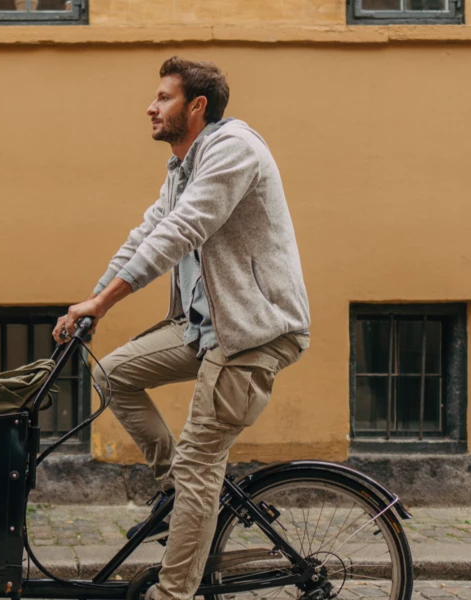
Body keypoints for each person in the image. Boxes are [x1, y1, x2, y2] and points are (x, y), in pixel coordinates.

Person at [53, 56, 310, 600]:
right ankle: (187, 495)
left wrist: (105, 301)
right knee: (114, 373)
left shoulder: (233, 149)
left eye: (163, 97)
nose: (151, 106)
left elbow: (181, 230)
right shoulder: (181, 167)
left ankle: (174, 592)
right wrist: (92, 302)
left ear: (197, 106)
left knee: (199, 461)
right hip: (205, 330)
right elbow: (144, 234)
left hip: (253, 335)